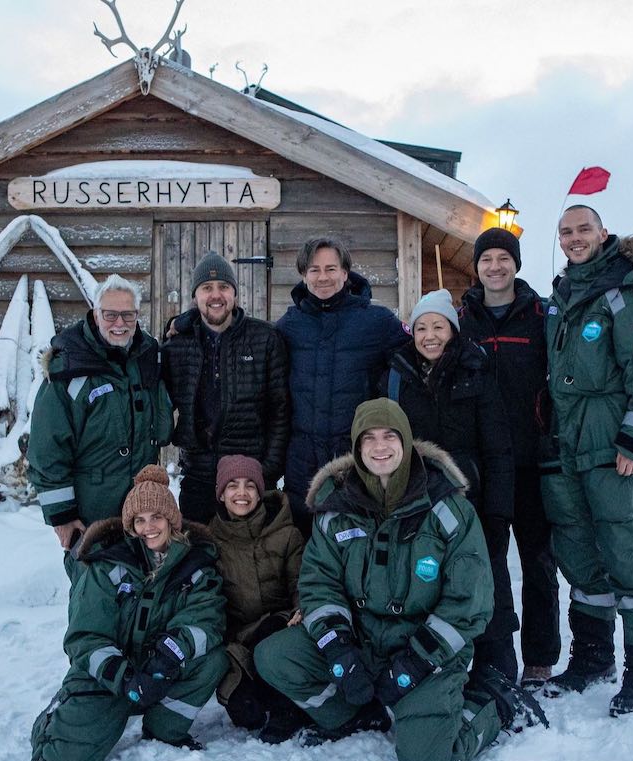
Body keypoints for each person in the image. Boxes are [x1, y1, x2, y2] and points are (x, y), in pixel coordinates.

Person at [255, 399, 547, 761]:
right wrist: (339, 648)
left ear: (406, 442)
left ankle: (499, 704)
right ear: (357, 449)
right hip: (363, 642)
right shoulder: (336, 508)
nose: (380, 447)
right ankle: (358, 715)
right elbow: (320, 584)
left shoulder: (449, 510)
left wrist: (417, 660)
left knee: (427, 760)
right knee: (275, 657)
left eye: (390, 436)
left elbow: (469, 604)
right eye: (369, 438)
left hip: (426, 649)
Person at [542, 205, 633, 715]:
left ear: (603, 233)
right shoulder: (562, 295)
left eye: (583, 230)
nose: (575, 239)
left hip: (614, 448)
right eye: (566, 232)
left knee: (627, 551)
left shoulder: (626, 292)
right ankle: (593, 656)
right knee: (578, 553)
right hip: (568, 449)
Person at [30, 465, 229, 761]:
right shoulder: (106, 566)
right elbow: (85, 638)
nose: (149, 527)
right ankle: (55, 716)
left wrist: (169, 655)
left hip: (159, 669)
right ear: (130, 526)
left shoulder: (196, 566)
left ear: (171, 520)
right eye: (140, 520)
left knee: (212, 659)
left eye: (156, 517)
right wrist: (125, 679)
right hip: (111, 676)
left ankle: (165, 729)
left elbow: (207, 618)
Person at [379, 289, 519, 683]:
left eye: (438, 326)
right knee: (428, 581)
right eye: (422, 327)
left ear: (453, 330)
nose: (430, 336)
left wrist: (498, 510)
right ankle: (435, 666)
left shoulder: (475, 370)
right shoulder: (396, 374)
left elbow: (498, 446)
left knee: (486, 578)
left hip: (470, 498)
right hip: (417, 502)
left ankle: (497, 667)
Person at [459, 228, 561, 688]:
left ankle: (540, 657)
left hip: (532, 459)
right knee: (491, 564)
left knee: (539, 563)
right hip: (484, 466)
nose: (495, 267)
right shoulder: (464, 320)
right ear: (476, 267)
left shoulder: (539, 315)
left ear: (516, 264)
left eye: (503, 258)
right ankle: (494, 656)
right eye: (486, 259)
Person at [27, 274, 173, 573]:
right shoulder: (70, 368)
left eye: (128, 314)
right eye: (110, 314)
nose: (119, 323)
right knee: (96, 596)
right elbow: (46, 449)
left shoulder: (146, 358)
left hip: (140, 508)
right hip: (90, 512)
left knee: (142, 592)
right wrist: (62, 515)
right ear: (95, 314)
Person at [276, 236, 410, 535]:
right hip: (302, 463)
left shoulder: (376, 321)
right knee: (305, 551)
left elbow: (421, 352)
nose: (323, 277)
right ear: (303, 275)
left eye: (331, 268)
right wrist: (187, 320)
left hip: (356, 461)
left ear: (346, 273)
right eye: (314, 269)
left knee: (355, 547)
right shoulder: (289, 326)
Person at [162, 252, 289, 524]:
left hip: (249, 478)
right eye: (207, 288)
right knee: (198, 555)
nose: (216, 295)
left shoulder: (264, 338)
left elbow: (280, 410)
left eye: (224, 287)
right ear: (195, 297)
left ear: (235, 293)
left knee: (250, 562)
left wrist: (267, 471)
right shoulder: (177, 346)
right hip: (198, 477)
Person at [208, 454, 308, 742]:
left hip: (280, 627)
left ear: (260, 491)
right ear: (221, 493)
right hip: (239, 638)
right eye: (233, 486)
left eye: (250, 485)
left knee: (270, 637)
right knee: (246, 715)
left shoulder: (286, 533)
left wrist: (301, 608)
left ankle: (287, 708)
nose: (241, 493)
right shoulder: (211, 540)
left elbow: (300, 581)